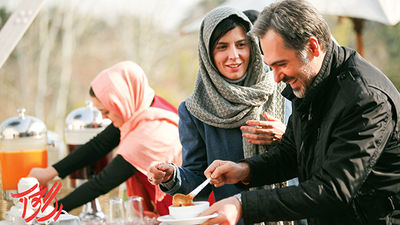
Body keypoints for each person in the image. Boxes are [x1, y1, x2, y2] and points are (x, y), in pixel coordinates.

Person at [199, 1, 400, 225]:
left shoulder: (365, 99)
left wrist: (242, 204)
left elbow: (332, 189)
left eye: (281, 64)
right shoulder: (309, 82)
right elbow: (292, 153)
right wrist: (245, 170)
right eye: (270, 66)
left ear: (313, 47)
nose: (275, 78)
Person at [147, 7, 287, 225]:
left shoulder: (282, 86)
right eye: (222, 47)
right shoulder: (194, 110)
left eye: (241, 45)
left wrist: (285, 135)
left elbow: (311, 152)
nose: (234, 55)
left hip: (289, 213)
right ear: (207, 53)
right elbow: (200, 182)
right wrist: (172, 176)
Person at [29, 61, 182, 216]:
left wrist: (49, 211)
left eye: (106, 112)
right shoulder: (144, 106)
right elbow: (99, 145)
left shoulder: (150, 132)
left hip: (185, 212)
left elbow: (101, 183)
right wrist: (50, 172)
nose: (104, 118)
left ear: (122, 103)